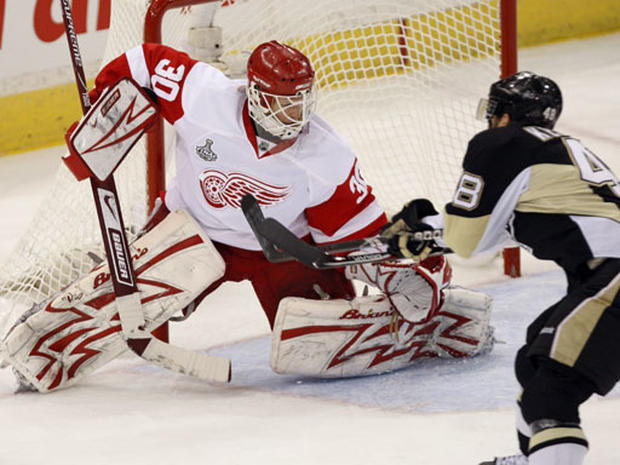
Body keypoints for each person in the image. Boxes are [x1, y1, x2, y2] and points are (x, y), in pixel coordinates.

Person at [3, 41, 498, 391]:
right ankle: (40, 349)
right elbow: (142, 63)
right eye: (283, 104)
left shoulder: (325, 155)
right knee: (126, 300)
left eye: (301, 102)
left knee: (312, 346)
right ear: (256, 96)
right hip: (191, 231)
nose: (296, 115)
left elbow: (357, 233)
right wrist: (103, 115)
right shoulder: (205, 97)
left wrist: (393, 271)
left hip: (282, 252)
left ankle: (436, 325)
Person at [384, 71, 620, 465]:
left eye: (494, 112)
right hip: (604, 279)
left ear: (506, 115)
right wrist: (427, 231)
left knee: (552, 390)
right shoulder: (558, 153)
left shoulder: (501, 143)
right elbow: (505, 226)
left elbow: (468, 241)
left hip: (611, 279)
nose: (490, 121)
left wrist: (421, 235)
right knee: (534, 361)